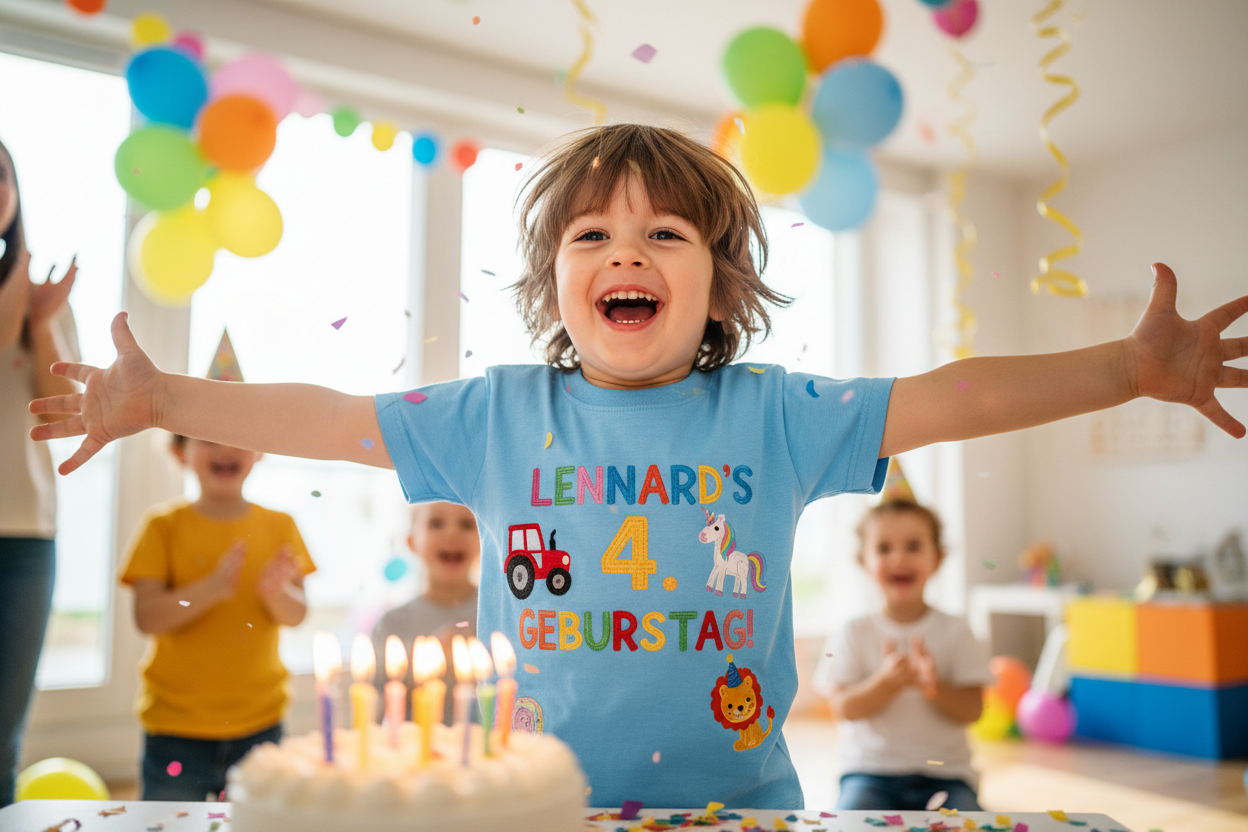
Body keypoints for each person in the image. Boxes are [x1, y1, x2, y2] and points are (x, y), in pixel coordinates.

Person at [28, 124, 1248, 809]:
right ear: (556, 283)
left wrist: (1120, 371)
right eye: (594, 233)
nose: (630, 249)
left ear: (721, 284)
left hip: (745, 800)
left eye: (667, 232)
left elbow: (952, 394)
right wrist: (161, 398)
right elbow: (335, 416)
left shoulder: (777, 414)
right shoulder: (496, 414)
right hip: (539, 805)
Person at [118, 336, 315, 801]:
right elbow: (148, 618)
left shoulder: (280, 526)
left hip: (260, 724)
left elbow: (298, 613)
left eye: (237, 436)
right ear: (180, 451)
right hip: (176, 727)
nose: (224, 449)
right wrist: (206, 590)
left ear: (259, 449)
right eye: (208, 437)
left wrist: (276, 595)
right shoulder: (162, 527)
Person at [819, 469, 991, 811]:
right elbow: (842, 708)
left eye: (913, 546)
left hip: (947, 775)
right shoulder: (855, 630)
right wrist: (885, 683)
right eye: (883, 548)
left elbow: (973, 710)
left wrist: (934, 687)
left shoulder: (956, 629)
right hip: (869, 774)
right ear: (863, 562)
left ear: (937, 559)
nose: (898, 558)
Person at [0, 138, 80, 807]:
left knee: (1, 736)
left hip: (24, 537)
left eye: (0, 176)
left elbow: (68, 413)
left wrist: (42, 321)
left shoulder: (42, 294)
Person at [371, 501, 480, 724]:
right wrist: (424, 660)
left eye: (467, 524)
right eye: (436, 523)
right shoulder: (392, 624)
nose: (452, 533)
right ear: (412, 542)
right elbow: (376, 709)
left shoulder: (499, 613)